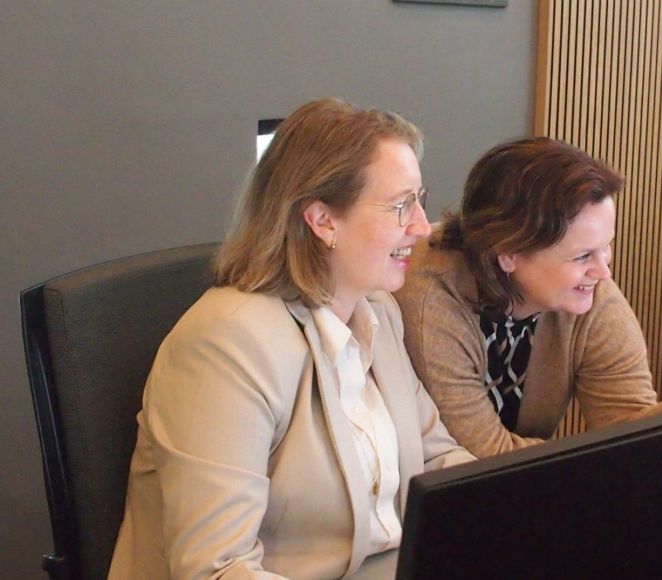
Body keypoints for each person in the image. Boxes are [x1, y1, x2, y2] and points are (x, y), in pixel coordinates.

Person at [109, 98, 475, 579]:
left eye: (419, 200)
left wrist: (515, 516)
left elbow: (436, 457)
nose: (422, 227)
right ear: (322, 220)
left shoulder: (377, 311)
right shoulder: (225, 346)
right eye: (400, 206)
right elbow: (217, 569)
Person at [393, 136, 662, 458]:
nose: (604, 272)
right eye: (583, 255)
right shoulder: (431, 296)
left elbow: (627, 426)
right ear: (508, 253)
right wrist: (604, 463)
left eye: (607, 248)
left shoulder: (590, 290)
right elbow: (484, 458)